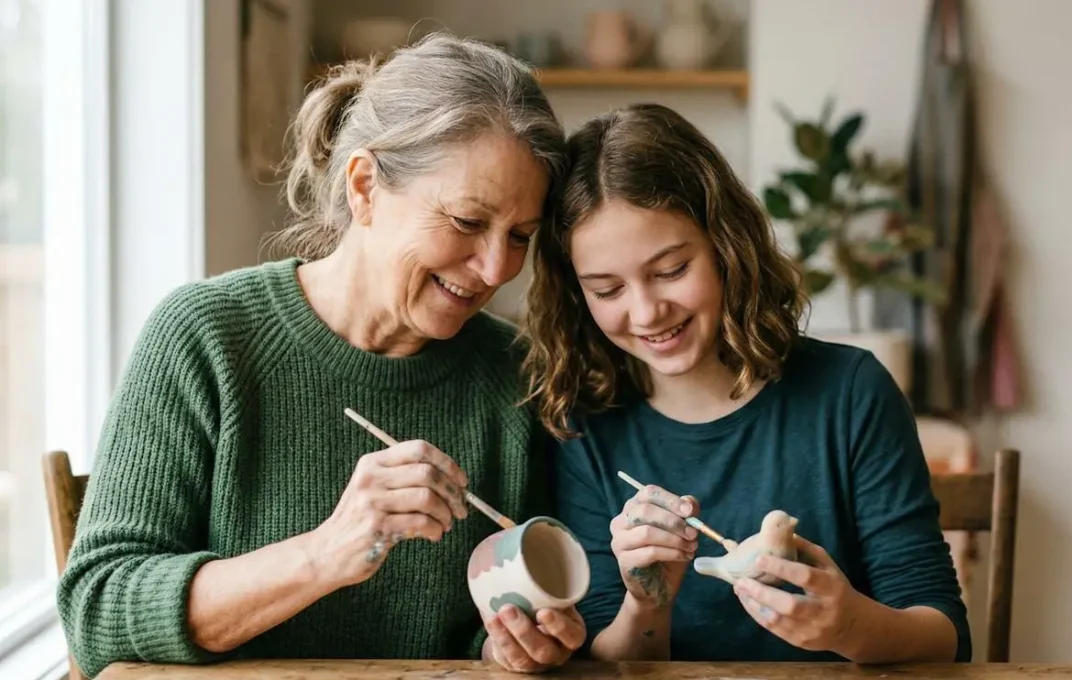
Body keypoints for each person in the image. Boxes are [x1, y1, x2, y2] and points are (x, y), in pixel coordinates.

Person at [56, 33, 583, 676]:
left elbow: (476, 627)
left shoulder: (514, 373)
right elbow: (99, 612)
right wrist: (326, 553)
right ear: (364, 187)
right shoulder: (205, 337)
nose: (495, 268)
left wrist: (510, 644)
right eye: (469, 223)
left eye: (520, 236)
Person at [522, 103, 971, 663]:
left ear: (725, 246)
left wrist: (848, 625)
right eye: (608, 290)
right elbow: (600, 662)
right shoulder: (585, 428)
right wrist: (647, 603)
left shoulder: (850, 393)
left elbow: (944, 634)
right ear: (577, 293)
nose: (646, 312)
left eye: (671, 271)